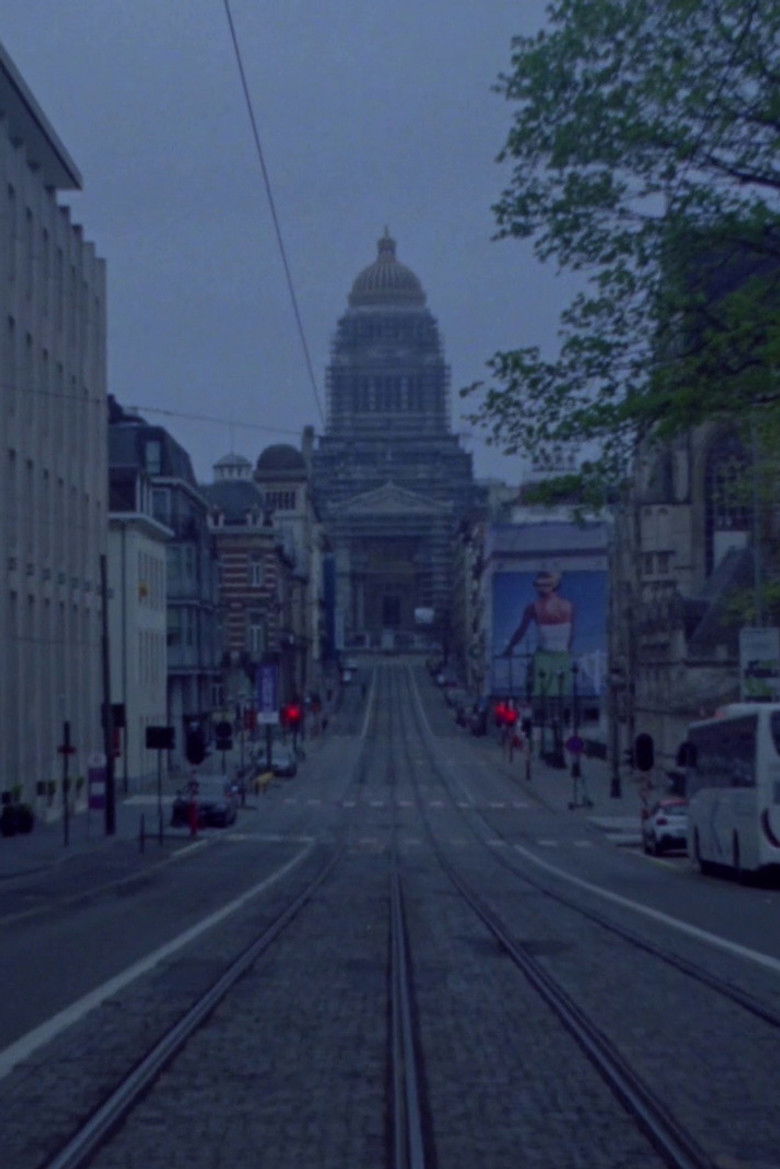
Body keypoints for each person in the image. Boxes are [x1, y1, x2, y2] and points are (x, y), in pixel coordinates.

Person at [500, 570, 575, 698]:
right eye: (538, 585)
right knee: (562, 693)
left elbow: (521, 630)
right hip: (563, 656)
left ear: (553, 585)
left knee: (537, 691)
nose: (539, 588)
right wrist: (567, 650)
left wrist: (509, 647)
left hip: (544, 656)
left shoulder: (533, 607)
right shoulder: (568, 606)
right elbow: (571, 633)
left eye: (543, 585)